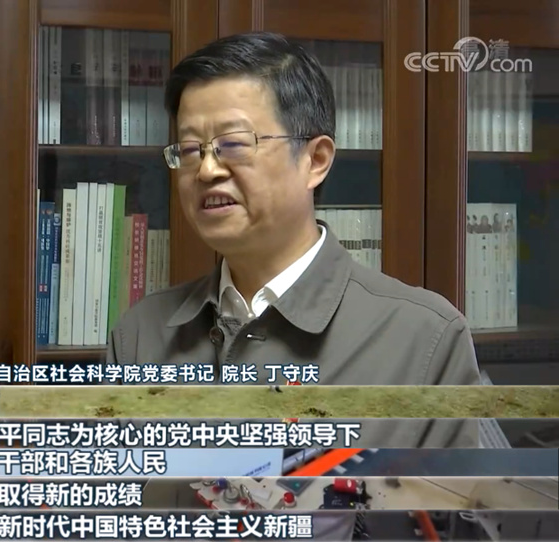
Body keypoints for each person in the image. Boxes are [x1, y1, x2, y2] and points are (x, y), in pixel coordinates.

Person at [106, 33, 480, 536]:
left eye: (234, 144)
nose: (207, 169)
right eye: (190, 149)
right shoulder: (141, 335)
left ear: (315, 159)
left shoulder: (424, 340)